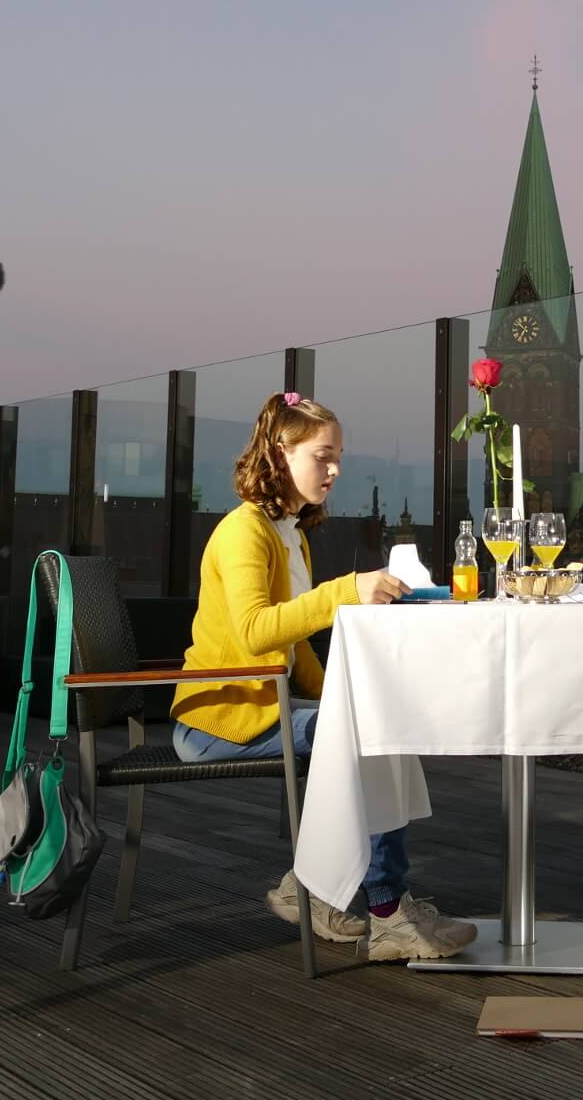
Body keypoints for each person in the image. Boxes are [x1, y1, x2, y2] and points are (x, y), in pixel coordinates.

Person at [169, 392, 477, 961]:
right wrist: (344, 591)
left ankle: (311, 888)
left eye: (338, 457)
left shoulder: (289, 532)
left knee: (379, 722)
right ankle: (385, 912)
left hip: (265, 706)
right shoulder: (245, 531)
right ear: (279, 453)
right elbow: (258, 631)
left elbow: (293, 646)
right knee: (369, 734)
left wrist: (343, 691)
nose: (335, 470)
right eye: (323, 456)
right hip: (221, 719)